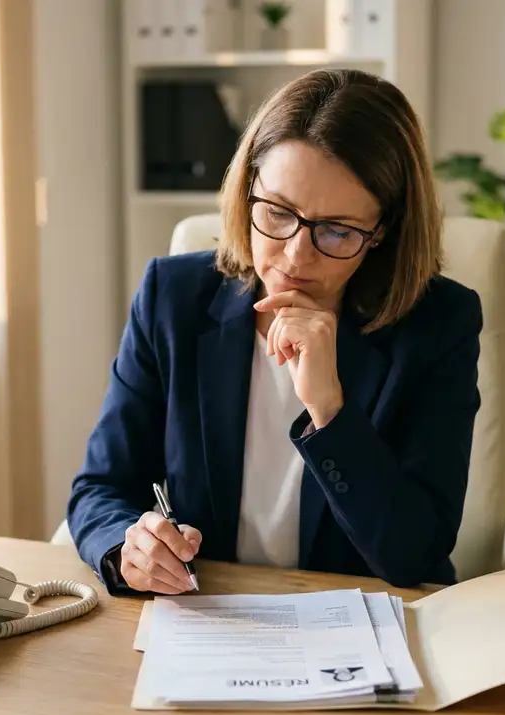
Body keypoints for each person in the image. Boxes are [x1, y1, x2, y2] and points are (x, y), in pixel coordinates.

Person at [67, 68, 483, 595]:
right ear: (247, 191)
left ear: (383, 232)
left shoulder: (437, 324)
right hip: (214, 614)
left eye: (337, 231)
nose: (295, 254)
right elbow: (100, 488)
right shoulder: (172, 298)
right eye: (279, 212)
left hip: (364, 622)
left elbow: (413, 556)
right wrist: (129, 545)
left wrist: (329, 410)